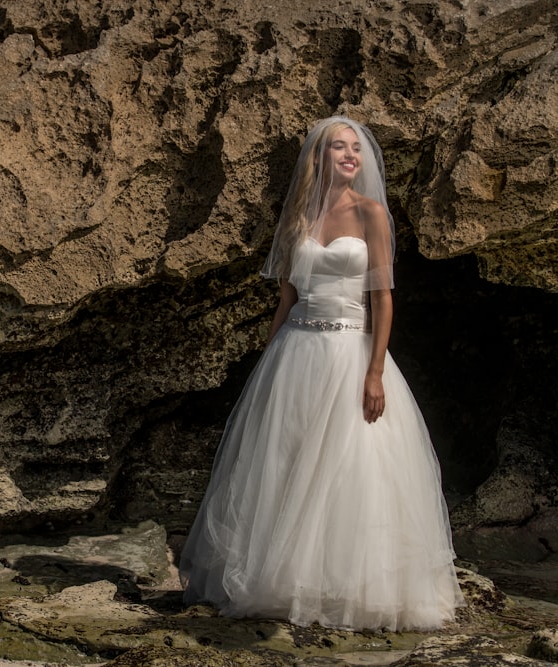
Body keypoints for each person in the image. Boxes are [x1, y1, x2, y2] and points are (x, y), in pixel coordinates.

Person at [178, 116, 464, 631]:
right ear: (320, 156)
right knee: (286, 461)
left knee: (352, 466)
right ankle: (282, 580)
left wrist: (375, 371)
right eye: (340, 147)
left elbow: (383, 300)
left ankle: (352, 585)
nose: (351, 155)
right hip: (296, 352)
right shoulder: (299, 216)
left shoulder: (372, 213)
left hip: (349, 351)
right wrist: (267, 362)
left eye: (357, 148)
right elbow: (286, 299)